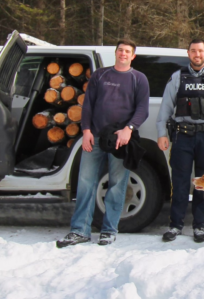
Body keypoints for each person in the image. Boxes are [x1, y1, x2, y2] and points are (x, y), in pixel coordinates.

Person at [56, 39, 150, 248]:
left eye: (127, 51)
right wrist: (86, 130)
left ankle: (109, 230)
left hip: (121, 139)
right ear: (115, 53)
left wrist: (129, 129)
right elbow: (88, 103)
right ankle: (80, 230)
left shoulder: (139, 79)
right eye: (120, 50)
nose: (123, 54)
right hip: (95, 137)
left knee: (117, 185)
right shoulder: (101, 75)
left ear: (133, 56)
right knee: (85, 183)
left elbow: (142, 109)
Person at [156, 39, 204, 243]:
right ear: (188, 53)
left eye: (200, 51)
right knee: (180, 183)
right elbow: (165, 107)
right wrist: (162, 134)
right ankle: (175, 225)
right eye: (193, 51)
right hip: (182, 137)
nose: (197, 54)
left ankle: (200, 226)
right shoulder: (177, 77)